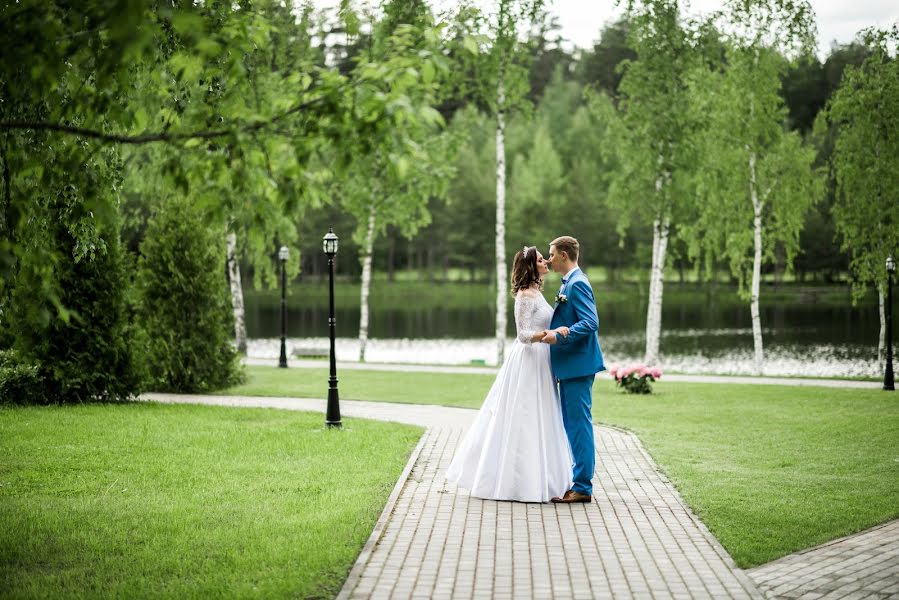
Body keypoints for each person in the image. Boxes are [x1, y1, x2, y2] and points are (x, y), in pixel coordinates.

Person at [445, 246, 573, 503]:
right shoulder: (525, 295)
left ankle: (544, 478)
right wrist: (551, 334)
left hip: (541, 360)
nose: (546, 262)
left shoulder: (537, 292)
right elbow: (523, 335)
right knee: (523, 414)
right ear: (531, 267)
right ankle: (516, 483)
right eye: (540, 260)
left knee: (542, 415)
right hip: (528, 359)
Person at [543, 236, 605, 503]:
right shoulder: (569, 282)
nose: (548, 258)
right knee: (573, 425)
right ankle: (578, 482)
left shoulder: (577, 283)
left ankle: (582, 487)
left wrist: (560, 336)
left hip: (578, 366)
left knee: (579, 426)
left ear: (564, 255)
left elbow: (590, 322)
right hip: (571, 367)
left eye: (552, 254)